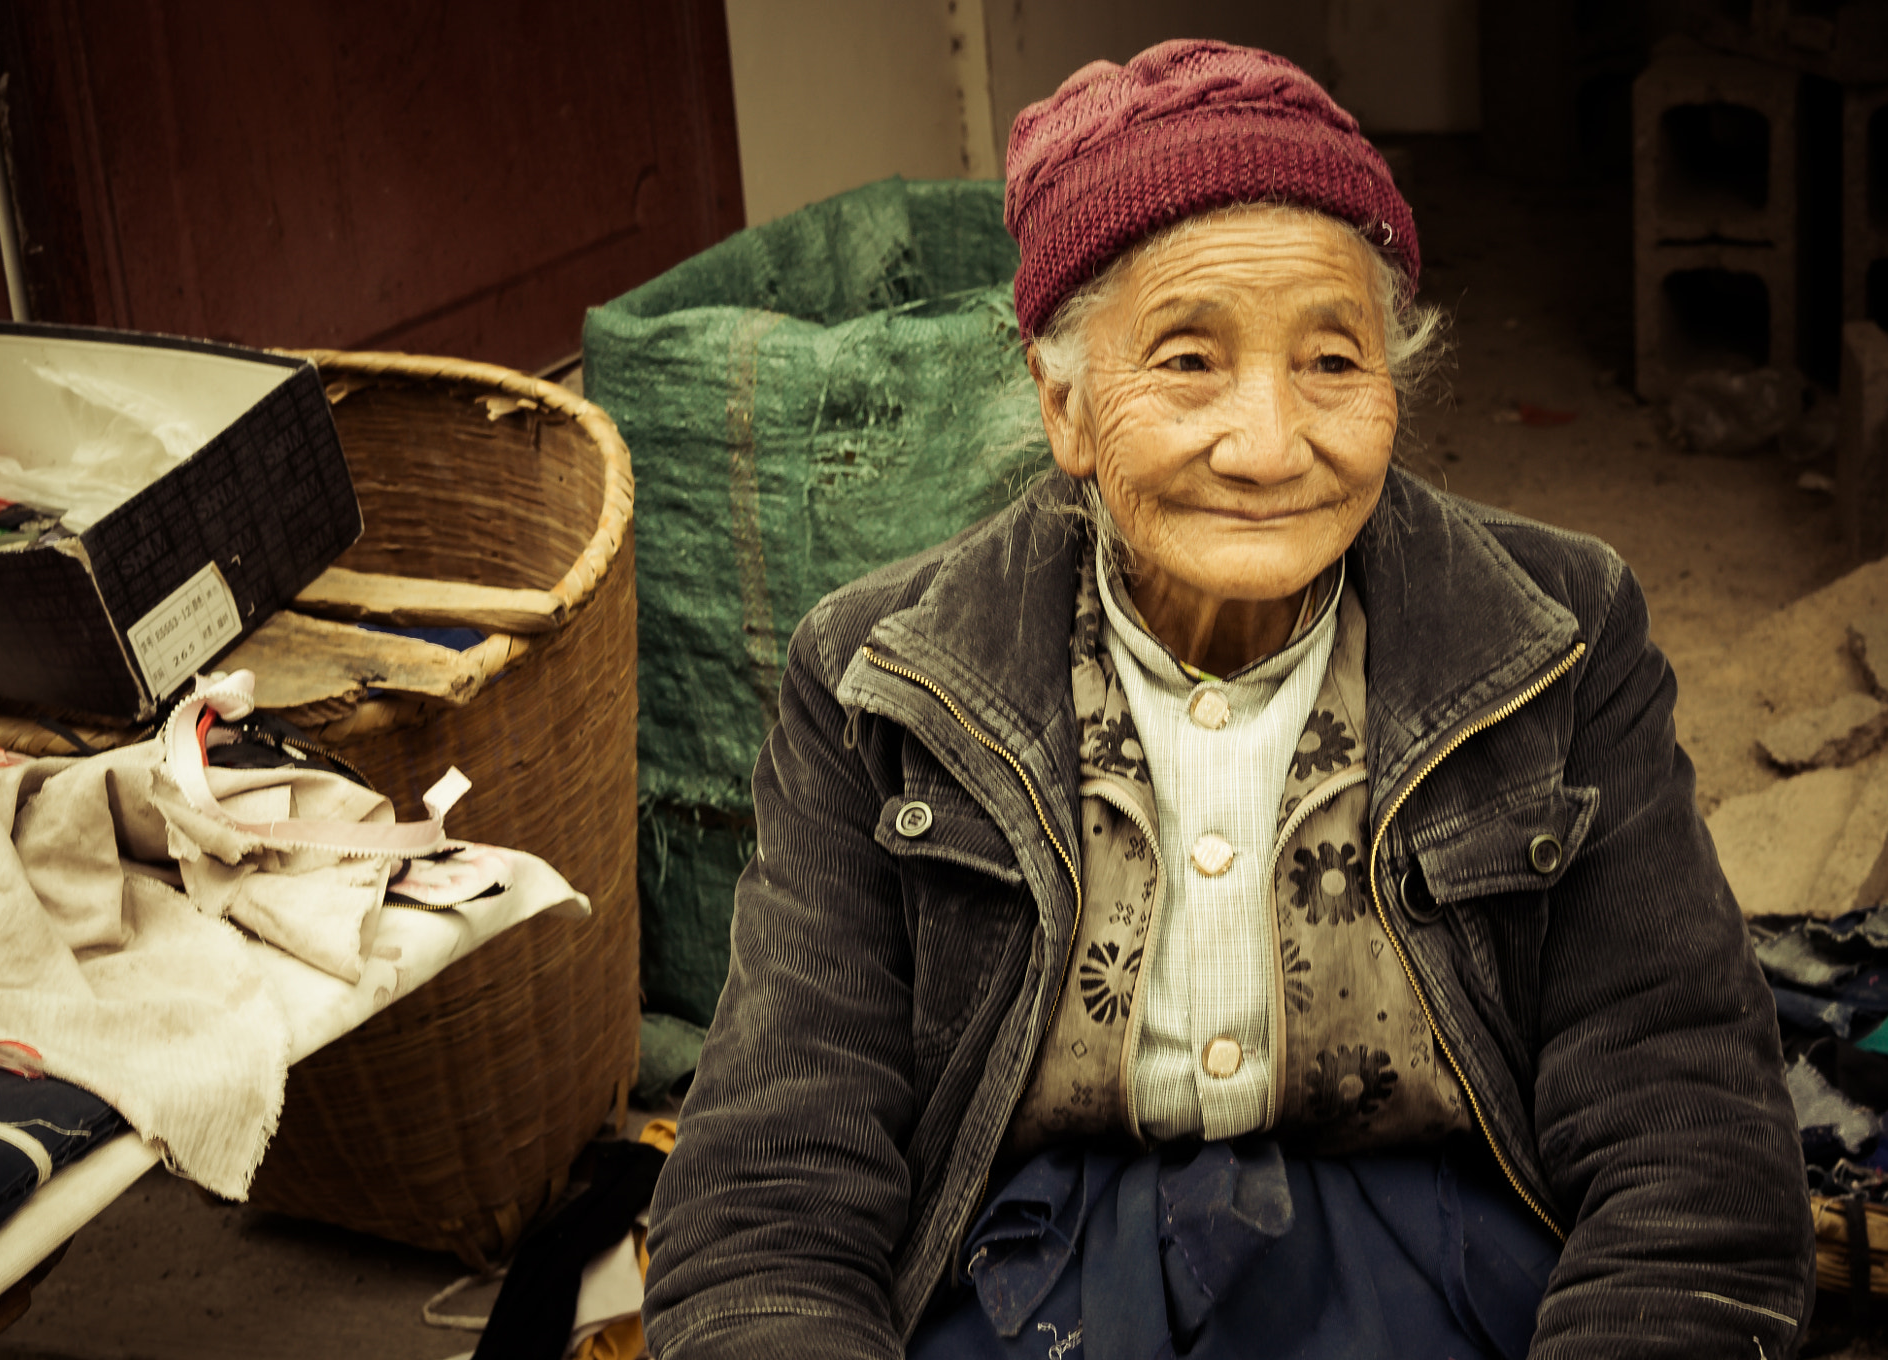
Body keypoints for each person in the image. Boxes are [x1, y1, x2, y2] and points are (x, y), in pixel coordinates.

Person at [642, 39, 1812, 1360]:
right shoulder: (879, 683)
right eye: (1189, 362)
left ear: (1394, 384)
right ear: (1065, 407)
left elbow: (1689, 1137)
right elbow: (769, 1188)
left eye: (1331, 363)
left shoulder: (1559, 636)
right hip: (1029, 1269)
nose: (1268, 446)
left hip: (1432, 1253)